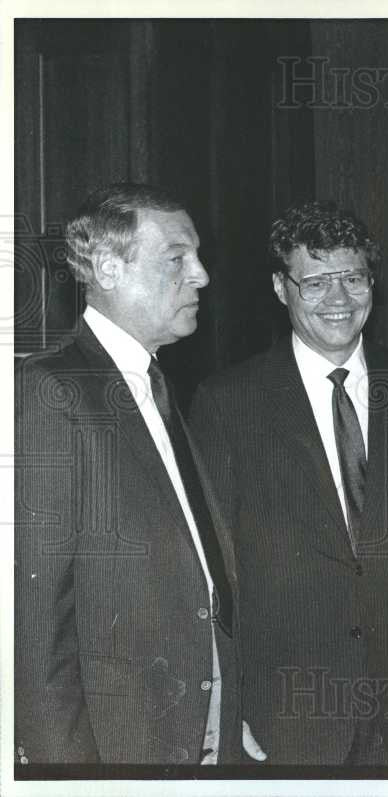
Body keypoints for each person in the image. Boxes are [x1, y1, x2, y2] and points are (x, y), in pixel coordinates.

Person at [188, 200, 388, 766]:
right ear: (280, 288)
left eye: (352, 278)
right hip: (286, 707)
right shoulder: (228, 402)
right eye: (315, 282)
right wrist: (232, 698)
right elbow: (215, 568)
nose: (338, 300)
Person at [14, 183, 250, 764]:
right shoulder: (53, 390)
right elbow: (36, 621)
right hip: (123, 739)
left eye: (196, 256)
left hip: (196, 721)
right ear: (108, 269)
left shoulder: (157, 383)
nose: (201, 276)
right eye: (177, 258)